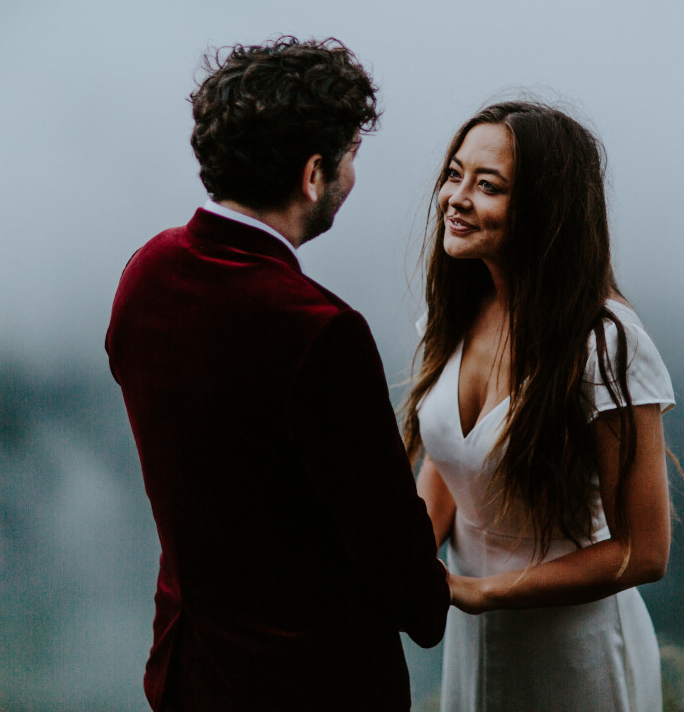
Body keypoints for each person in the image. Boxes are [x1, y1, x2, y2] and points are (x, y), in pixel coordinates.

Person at [106, 38, 450, 712]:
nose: (353, 178)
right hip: (311, 681)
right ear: (313, 172)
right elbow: (394, 556)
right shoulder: (319, 329)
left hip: (190, 670)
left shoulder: (145, 274)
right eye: (351, 156)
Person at [403, 100, 676, 711]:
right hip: (472, 635)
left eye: (487, 185)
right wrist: (405, 562)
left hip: (576, 652)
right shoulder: (451, 317)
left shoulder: (605, 342)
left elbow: (644, 550)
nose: (456, 197)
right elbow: (450, 468)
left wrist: (484, 592)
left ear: (545, 210)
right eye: (453, 174)